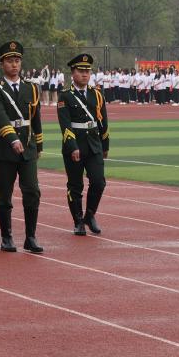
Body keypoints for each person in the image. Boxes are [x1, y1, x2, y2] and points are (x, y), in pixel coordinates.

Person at [0, 40, 44, 254]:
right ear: (2, 64)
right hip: (4, 148)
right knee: (5, 194)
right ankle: (7, 236)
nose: (14, 64)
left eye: (17, 60)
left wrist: (38, 144)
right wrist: (12, 139)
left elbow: (35, 119)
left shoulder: (31, 88)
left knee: (32, 191)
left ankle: (30, 237)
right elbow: (0, 118)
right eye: (10, 61)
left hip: (27, 147)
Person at [57, 53, 109, 235]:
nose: (85, 74)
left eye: (87, 71)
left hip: (94, 143)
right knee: (75, 185)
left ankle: (90, 214)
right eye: (81, 71)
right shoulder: (65, 96)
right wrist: (72, 146)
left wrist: (105, 145)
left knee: (99, 182)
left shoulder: (97, 94)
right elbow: (65, 124)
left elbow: (103, 122)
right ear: (73, 73)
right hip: (75, 144)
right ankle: (78, 220)